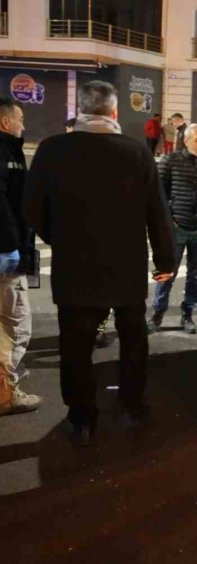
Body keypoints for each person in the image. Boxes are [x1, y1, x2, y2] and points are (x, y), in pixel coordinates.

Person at [25, 81, 176, 445]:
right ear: (113, 112)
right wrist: (165, 258)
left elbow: (32, 209)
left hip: (74, 266)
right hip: (125, 266)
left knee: (75, 345)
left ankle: (81, 416)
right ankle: (131, 405)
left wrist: (59, 239)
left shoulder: (52, 150)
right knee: (132, 339)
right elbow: (157, 211)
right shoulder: (136, 153)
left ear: (79, 109)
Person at [148, 123, 197, 335]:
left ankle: (187, 314)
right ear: (187, 140)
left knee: (195, 276)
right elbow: (158, 194)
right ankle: (157, 314)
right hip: (177, 228)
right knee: (166, 273)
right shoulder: (170, 161)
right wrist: (167, 221)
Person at [0, 97, 41, 417]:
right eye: (20, 119)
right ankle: (6, 391)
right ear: (5, 122)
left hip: (9, 249)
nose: (23, 125)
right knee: (17, 326)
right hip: (6, 254)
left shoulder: (11, 151)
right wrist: (13, 246)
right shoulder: (6, 153)